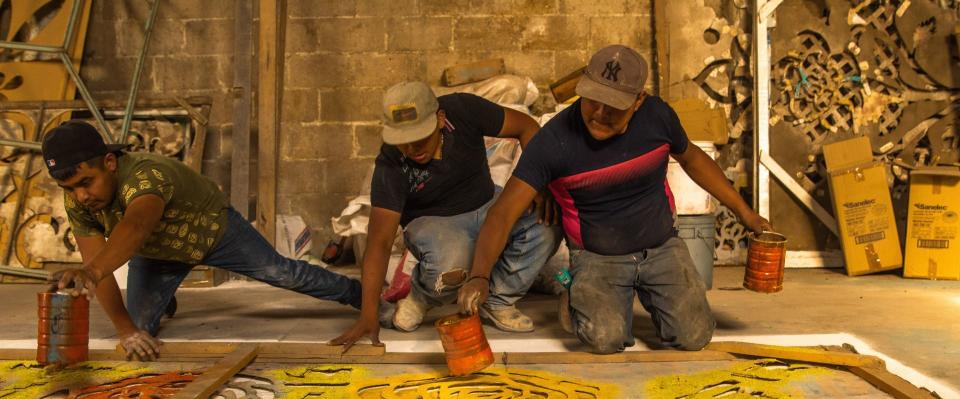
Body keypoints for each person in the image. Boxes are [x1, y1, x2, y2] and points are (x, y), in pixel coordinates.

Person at [458, 44, 774, 354]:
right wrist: (479, 276)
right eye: (592, 100)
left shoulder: (658, 117)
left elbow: (693, 159)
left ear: (638, 100)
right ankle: (578, 294)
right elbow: (503, 212)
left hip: (661, 246)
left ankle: (647, 295)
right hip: (598, 256)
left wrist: (745, 213)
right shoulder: (554, 141)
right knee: (604, 339)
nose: (598, 113)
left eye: (613, 105)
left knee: (694, 336)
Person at [42, 120, 361, 361]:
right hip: (157, 255)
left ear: (110, 163)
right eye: (68, 188)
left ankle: (359, 293)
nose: (80, 196)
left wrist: (92, 272)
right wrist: (126, 331)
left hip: (214, 233)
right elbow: (98, 268)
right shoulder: (78, 202)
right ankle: (165, 294)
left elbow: (136, 225)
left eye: (86, 183)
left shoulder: (146, 176)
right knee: (138, 330)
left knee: (281, 273)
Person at [331, 81, 561, 351]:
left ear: (440, 119)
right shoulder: (391, 162)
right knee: (452, 267)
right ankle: (421, 297)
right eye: (403, 143)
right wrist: (368, 315)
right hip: (434, 223)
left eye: (420, 139)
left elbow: (527, 126)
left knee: (545, 222)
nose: (412, 150)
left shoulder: (463, 110)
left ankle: (498, 297)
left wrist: (539, 184)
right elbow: (379, 243)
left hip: (488, 203)